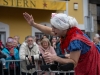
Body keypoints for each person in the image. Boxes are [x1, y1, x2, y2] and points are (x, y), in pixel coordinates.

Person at [23, 12, 100, 75]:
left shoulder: (75, 40)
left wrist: (55, 58)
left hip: (90, 66)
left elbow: (73, 62)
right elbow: (49, 31)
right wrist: (33, 24)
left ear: (62, 27)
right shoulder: (68, 32)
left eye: (54, 27)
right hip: (86, 62)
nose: (52, 30)